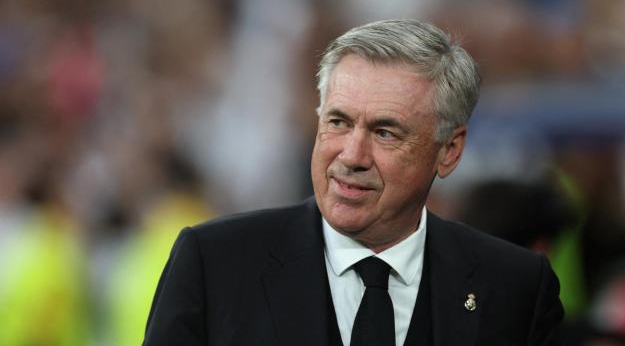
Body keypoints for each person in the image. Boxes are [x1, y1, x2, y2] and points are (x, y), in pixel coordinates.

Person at [143, 19, 564, 346]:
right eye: (338, 122)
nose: (351, 155)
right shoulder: (215, 265)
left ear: (449, 151)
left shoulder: (515, 287)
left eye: (385, 132)